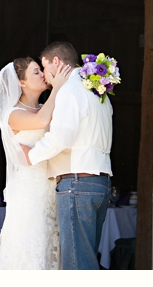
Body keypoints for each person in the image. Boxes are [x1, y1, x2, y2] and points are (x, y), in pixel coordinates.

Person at [21, 41, 114, 270]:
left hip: (77, 183)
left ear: (56, 62)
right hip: (100, 182)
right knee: (87, 260)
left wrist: (31, 155)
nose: (45, 75)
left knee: (77, 265)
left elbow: (62, 138)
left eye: (44, 67)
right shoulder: (97, 92)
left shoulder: (69, 91)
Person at [0, 57, 71, 270]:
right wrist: (57, 88)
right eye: (36, 72)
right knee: (29, 245)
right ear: (21, 83)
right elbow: (42, 121)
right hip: (29, 190)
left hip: (52, 187)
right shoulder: (13, 114)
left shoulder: (46, 106)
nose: (42, 74)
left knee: (50, 245)